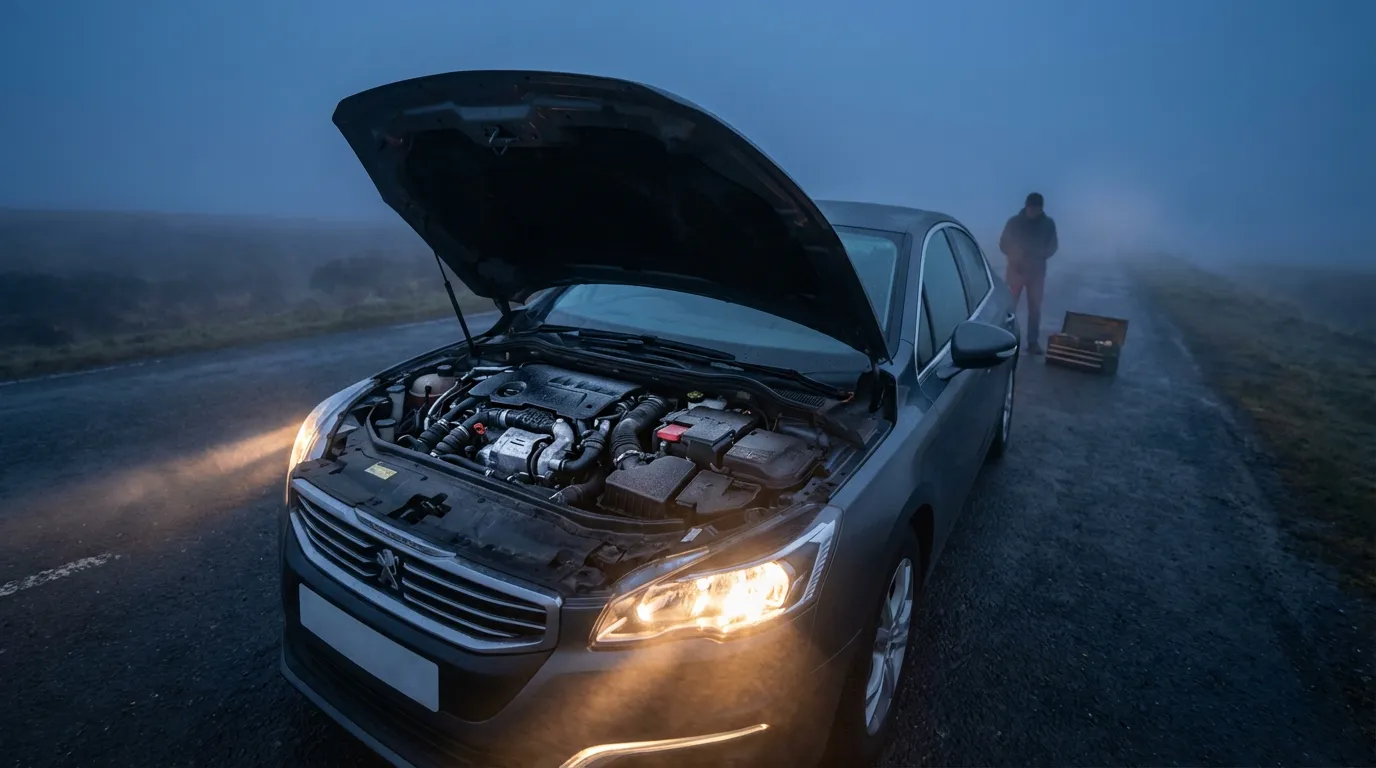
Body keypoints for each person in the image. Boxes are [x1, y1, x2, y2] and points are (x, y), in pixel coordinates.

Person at [998, 192, 1058, 354]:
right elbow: (1003, 243)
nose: (1033, 211)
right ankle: (1003, 339)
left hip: (1037, 273)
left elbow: (1053, 245)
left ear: (1041, 209)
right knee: (1009, 307)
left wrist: (1040, 255)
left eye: (1036, 209)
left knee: (1035, 308)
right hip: (1015, 271)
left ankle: (1032, 342)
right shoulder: (1014, 222)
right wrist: (1015, 254)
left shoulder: (1048, 224)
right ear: (1026, 206)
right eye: (1031, 208)